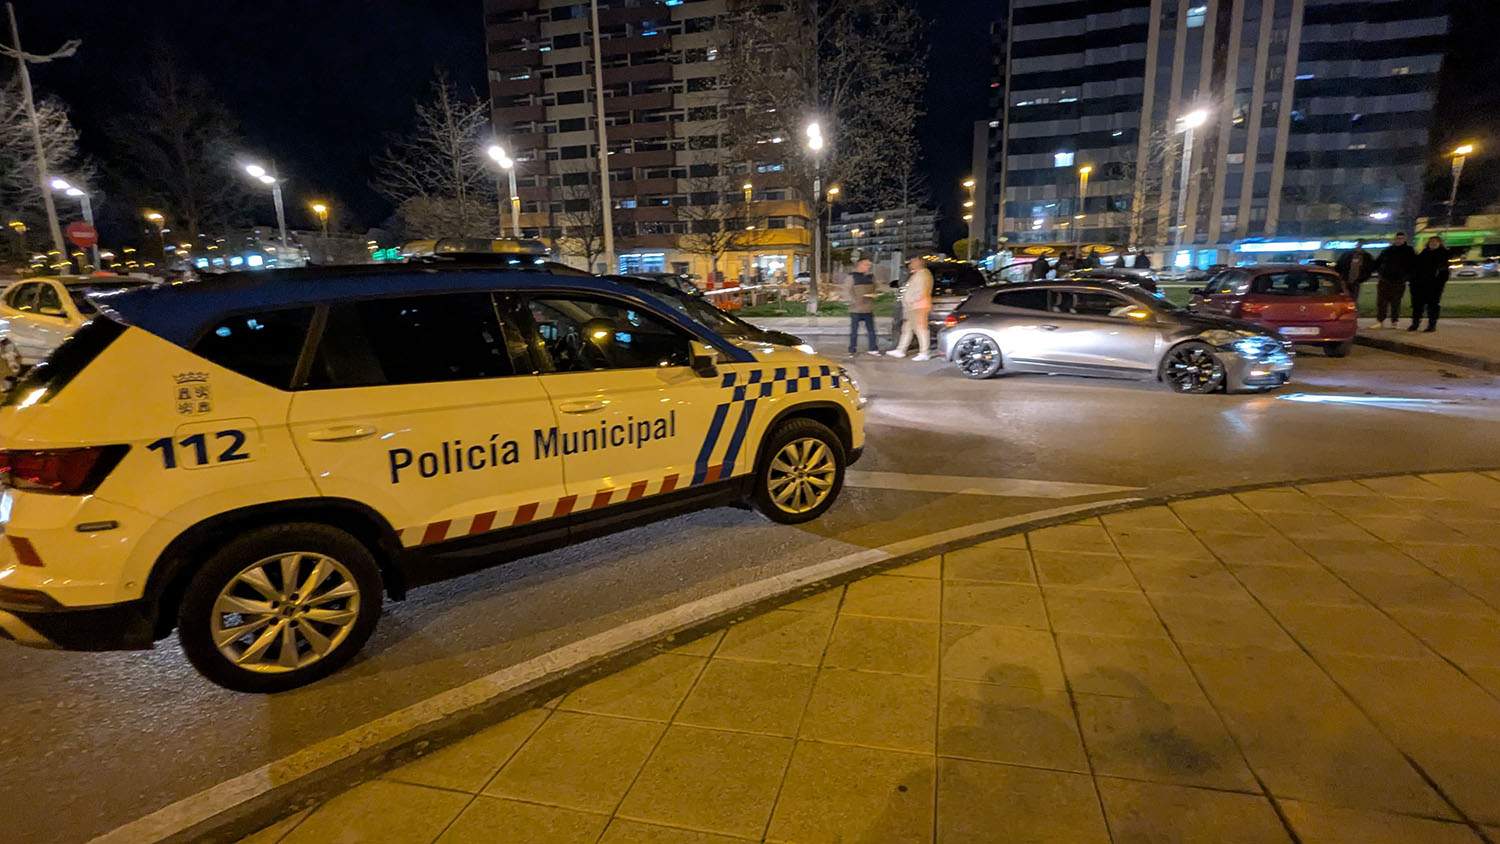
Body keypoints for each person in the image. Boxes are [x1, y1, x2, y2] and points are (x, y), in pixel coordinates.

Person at [887, 256, 934, 361]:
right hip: (912, 306)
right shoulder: (917, 274)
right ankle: (901, 350)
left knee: (920, 329)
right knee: (907, 329)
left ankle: (925, 352)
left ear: (919, 263)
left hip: (918, 306)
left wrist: (911, 300)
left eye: (913, 262)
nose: (910, 264)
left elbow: (921, 291)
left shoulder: (923, 274)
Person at [1371, 232, 1417, 329]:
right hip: (1385, 280)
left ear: (1404, 239)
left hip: (1399, 281)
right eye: (1397, 238)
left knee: (1396, 302)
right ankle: (1380, 321)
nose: (1399, 240)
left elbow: (1413, 265)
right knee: (1381, 302)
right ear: (1394, 239)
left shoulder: (1409, 251)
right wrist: (1379, 273)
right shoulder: (1387, 250)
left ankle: (1394, 321)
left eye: (1401, 238)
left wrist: (1406, 277)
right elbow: (1378, 262)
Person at [1409, 236, 1451, 333]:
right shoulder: (1424, 253)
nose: (1433, 243)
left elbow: (1444, 273)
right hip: (1420, 284)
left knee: (1433, 305)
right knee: (1417, 305)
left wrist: (1439, 283)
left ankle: (1432, 325)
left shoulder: (1443, 255)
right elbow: (1416, 267)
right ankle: (1415, 323)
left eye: (1435, 242)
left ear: (1439, 243)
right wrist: (1413, 280)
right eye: (1431, 241)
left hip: (1434, 285)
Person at [844, 259, 882, 356]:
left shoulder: (871, 277)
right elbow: (847, 290)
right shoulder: (852, 276)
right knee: (854, 331)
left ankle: (873, 348)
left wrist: (875, 294)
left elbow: (876, 288)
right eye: (866, 265)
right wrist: (854, 301)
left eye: (869, 265)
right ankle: (852, 350)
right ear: (860, 265)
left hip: (868, 308)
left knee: (871, 330)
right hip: (856, 309)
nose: (868, 267)